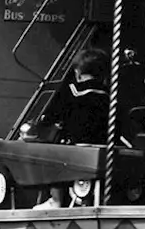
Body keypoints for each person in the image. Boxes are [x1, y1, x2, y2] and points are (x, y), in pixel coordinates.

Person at [32, 49, 111, 209]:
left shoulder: (71, 92)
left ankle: (56, 199)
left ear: (78, 73)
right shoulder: (108, 95)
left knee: (52, 153)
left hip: (75, 145)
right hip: (102, 145)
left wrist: (43, 122)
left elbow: (51, 116)